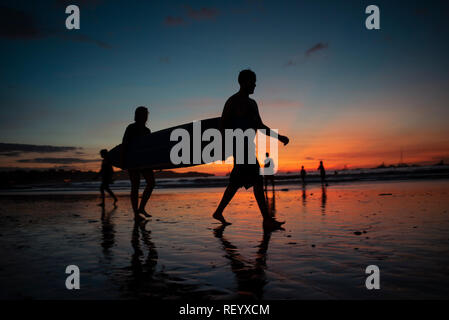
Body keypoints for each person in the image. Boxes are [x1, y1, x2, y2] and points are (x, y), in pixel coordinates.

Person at [212, 69, 289, 230]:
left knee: (237, 182)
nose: (255, 85)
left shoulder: (252, 103)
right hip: (238, 146)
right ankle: (266, 219)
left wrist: (279, 136)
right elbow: (223, 124)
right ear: (243, 82)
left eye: (255, 81)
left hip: (248, 146)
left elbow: (260, 126)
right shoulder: (232, 101)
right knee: (256, 180)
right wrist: (226, 146)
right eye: (252, 81)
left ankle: (219, 212)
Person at [121, 106, 155, 220]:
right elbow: (124, 144)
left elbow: (150, 148)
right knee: (135, 186)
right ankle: (136, 214)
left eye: (146, 114)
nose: (145, 117)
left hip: (145, 161)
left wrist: (157, 163)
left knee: (151, 183)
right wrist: (124, 161)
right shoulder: (131, 127)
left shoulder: (147, 130)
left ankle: (141, 208)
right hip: (133, 161)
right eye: (143, 114)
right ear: (137, 115)